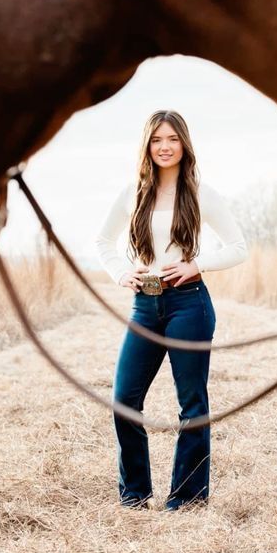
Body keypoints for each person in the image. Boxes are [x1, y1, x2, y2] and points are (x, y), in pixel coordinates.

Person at [94, 109, 248, 511]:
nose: (165, 147)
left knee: (192, 404)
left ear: (184, 144)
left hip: (189, 304)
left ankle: (187, 498)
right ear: (147, 145)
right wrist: (121, 273)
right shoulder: (133, 193)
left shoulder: (200, 192)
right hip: (145, 306)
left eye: (173, 139)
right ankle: (134, 495)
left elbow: (238, 247)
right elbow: (103, 243)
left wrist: (196, 263)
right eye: (158, 139)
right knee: (125, 399)